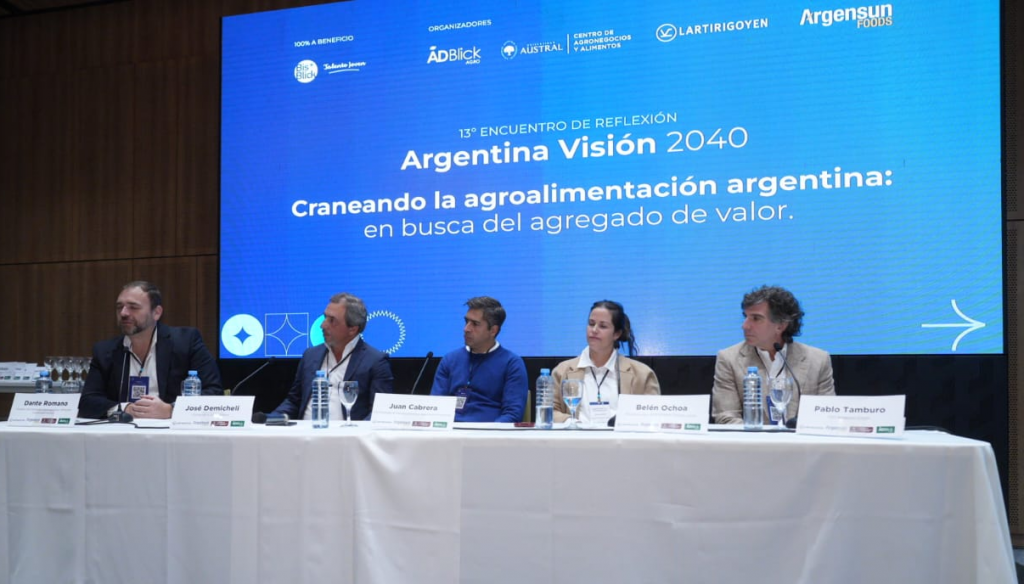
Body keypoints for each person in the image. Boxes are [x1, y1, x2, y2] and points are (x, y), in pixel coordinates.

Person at [79, 281, 222, 419]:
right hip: (123, 430)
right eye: (119, 307)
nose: (123, 313)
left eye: (133, 307)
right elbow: (87, 401)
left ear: (156, 313)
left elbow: (214, 393)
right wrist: (125, 408)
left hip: (171, 431)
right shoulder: (105, 351)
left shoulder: (186, 342)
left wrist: (171, 410)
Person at [712, 285, 835, 424]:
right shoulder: (729, 359)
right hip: (752, 437)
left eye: (756, 318)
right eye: (745, 317)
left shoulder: (818, 360)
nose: (745, 326)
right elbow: (726, 417)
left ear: (781, 325)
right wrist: (761, 437)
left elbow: (828, 415)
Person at [271, 293, 393, 421]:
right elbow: (294, 401)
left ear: (352, 329)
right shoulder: (310, 355)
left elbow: (379, 412)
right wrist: (270, 420)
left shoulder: (375, 361)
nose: (323, 325)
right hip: (305, 431)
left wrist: (354, 431)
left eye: (332, 320)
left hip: (347, 432)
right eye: (325, 318)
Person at [552, 300, 660, 426]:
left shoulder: (642, 375)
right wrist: (571, 422)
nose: (594, 330)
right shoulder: (562, 371)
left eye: (603, 326)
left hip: (622, 438)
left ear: (617, 334)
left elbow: (653, 417)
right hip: (575, 438)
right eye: (591, 324)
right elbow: (549, 411)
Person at [431, 296, 528, 423]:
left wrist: (486, 432)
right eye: (466, 321)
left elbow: (512, 415)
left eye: (475, 324)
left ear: (493, 330)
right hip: (451, 431)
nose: (466, 329)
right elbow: (435, 408)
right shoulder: (450, 360)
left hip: (488, 432)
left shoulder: (511, 363)